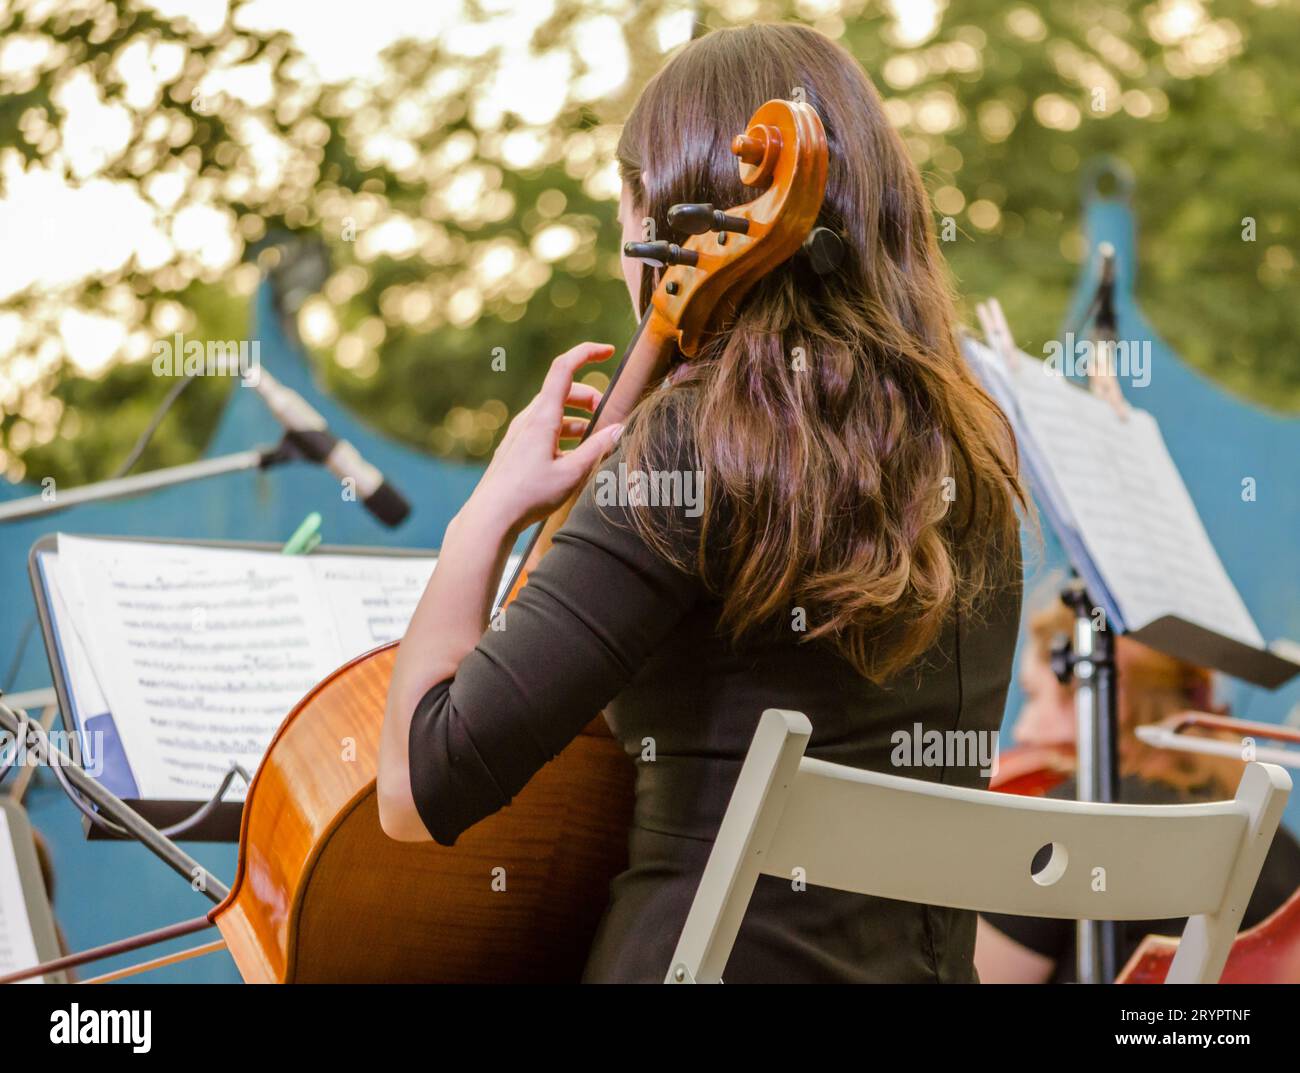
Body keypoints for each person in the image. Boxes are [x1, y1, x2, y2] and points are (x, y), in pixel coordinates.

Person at [376, 23, 1027, 983]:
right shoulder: (974, 455)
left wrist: (486, 513)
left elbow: (416, 789)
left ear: (672, 224)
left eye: (622, 211)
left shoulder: (691, 446)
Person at [976, 597, 1300, 983]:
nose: (1023, 730)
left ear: (1104, 694)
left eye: (1034, 696)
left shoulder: (1063, 827)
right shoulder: (1276, 842)